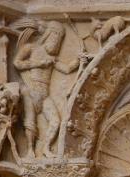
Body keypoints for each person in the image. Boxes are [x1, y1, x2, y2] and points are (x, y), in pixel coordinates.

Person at [14, 21, 86, 157]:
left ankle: (46, 148)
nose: (56, 42)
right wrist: (38, 63)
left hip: (45, 95)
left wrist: (79, 60)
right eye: (55, 37)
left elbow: (67, 69)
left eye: (59, 39)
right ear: (47, 35)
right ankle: (30, 150)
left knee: (55, 122)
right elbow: (17, 63)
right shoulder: (31, 48)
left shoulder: (52, 58)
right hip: (31, 90)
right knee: (30, 121)